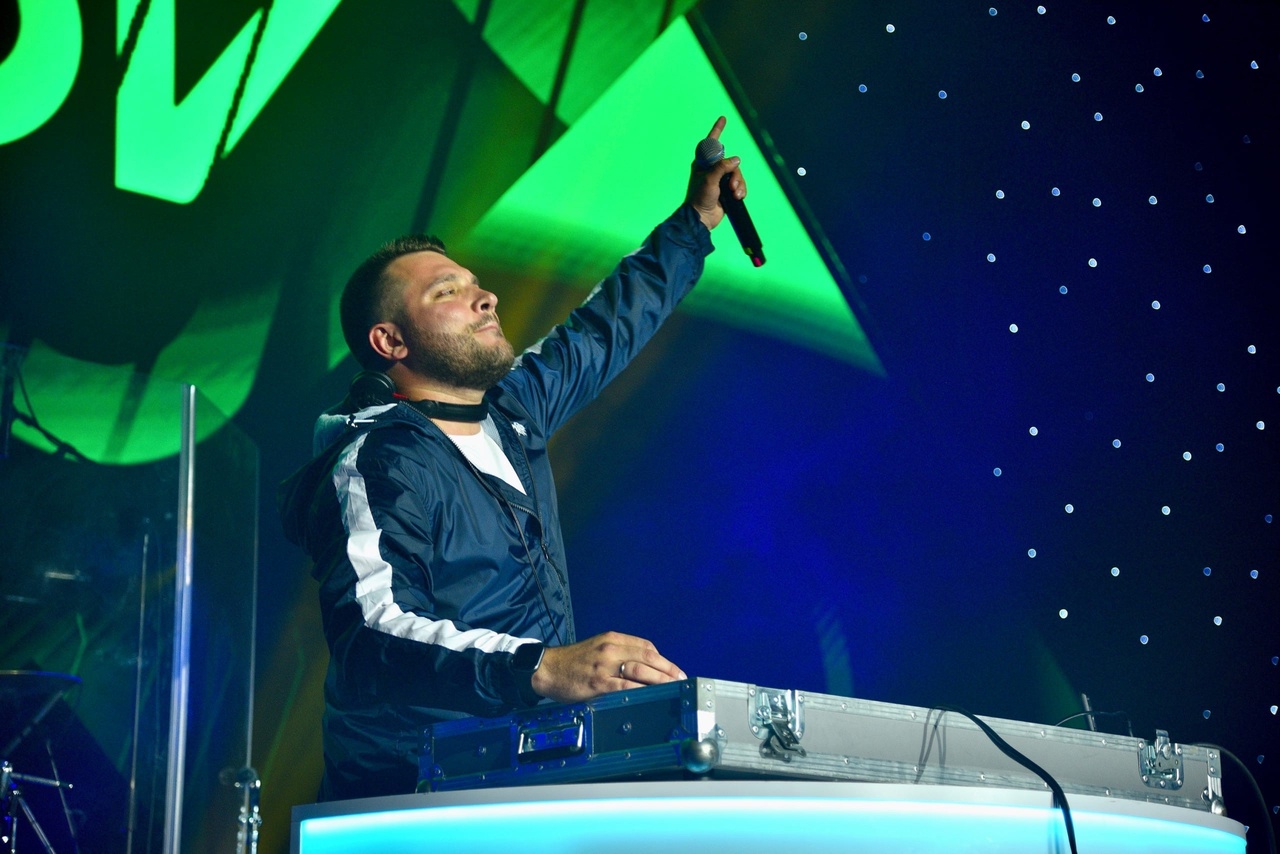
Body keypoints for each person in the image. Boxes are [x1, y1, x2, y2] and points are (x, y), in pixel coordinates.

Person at [278, 117, 748, 801]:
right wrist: (543, 668)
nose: (486, 296)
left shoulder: (512, 410)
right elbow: (375, 633)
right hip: (406, 800)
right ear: (390, 341)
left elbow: (604, 328)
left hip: (515, 777)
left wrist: (696, 221)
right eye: (446, 292)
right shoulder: (378, 461)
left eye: (476, 284)